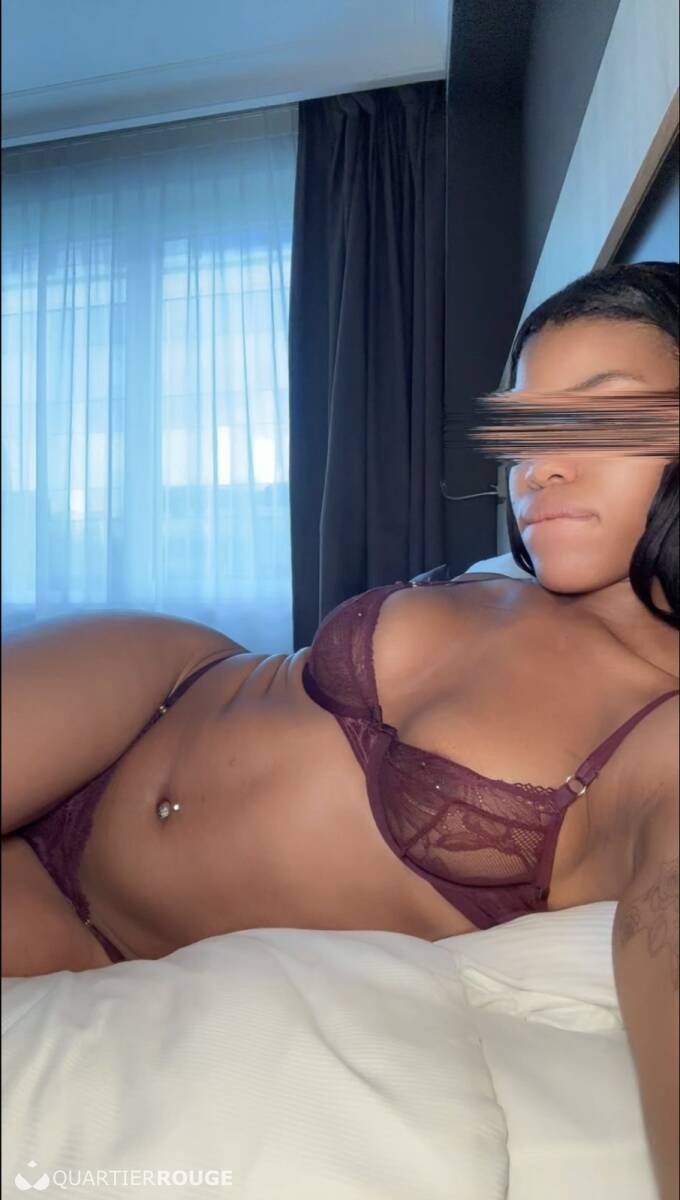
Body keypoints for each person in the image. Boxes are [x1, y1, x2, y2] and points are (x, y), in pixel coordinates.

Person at [2, 261, 678, 981]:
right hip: (148, 692)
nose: (538, 467)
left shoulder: (659, 740)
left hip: (102, 937)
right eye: (525, 429)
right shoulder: (502, 581)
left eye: (604, 415)